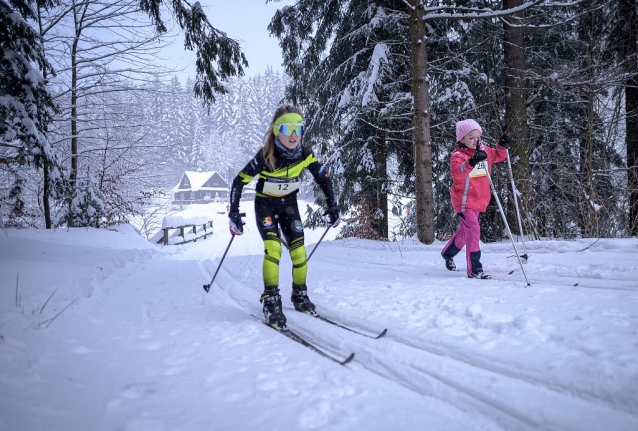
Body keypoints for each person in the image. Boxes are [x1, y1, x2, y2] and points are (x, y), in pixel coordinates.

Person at [228, 105, 341, 328]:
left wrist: (332, 206)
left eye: (298, 129)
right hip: (266, 207)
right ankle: (270, 300)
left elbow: (323, 178)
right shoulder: (265, 155)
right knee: (274, 249)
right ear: (277, 130)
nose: (293, 135)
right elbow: (239, 181)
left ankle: (299, 295)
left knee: (299, 252)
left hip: (289, 206)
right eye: (288, 128)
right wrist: (233, 213)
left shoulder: (304, 154)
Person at [441, 119, 511, 279]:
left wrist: (502, 145)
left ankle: (447, 253)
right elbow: (457, 173)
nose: (475, 140)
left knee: (465, 233)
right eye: (471, 137)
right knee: (473, 230)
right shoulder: (457, 156)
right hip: (464, 202)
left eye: (478, 136)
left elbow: (500, 156)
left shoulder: (485, 151)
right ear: (462, 139)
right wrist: (471, 162)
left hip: (480, 200)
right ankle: (474, 269)